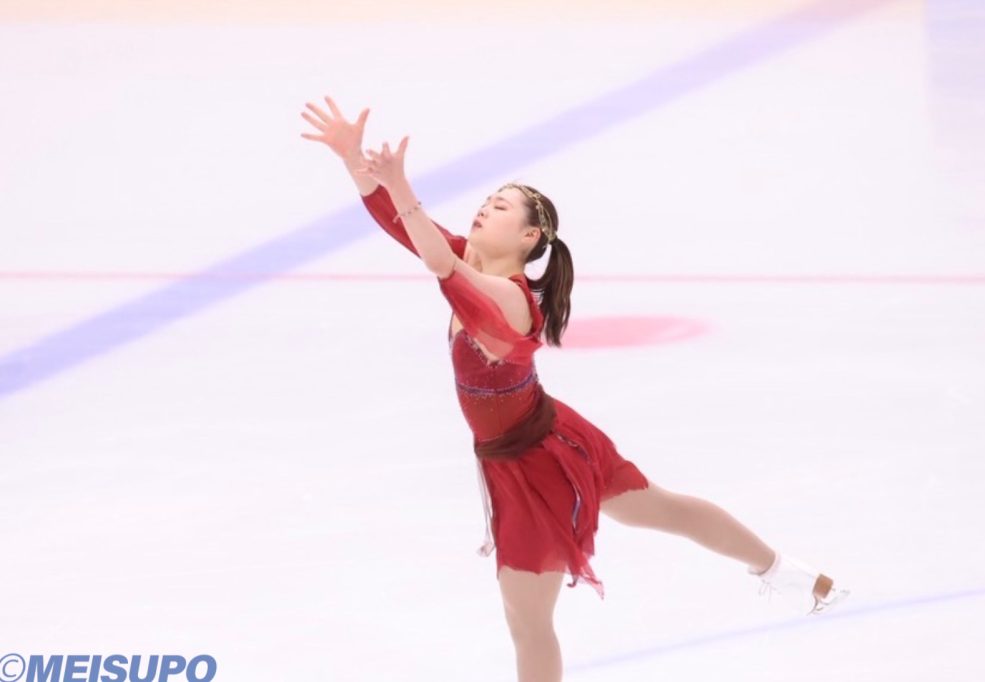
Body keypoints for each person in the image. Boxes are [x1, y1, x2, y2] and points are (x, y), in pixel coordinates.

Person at [300, 96, 850, 682]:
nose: (485, 208)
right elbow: (401, 224)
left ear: (529, 235)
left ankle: (783, 571)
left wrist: (401, 184)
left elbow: (436, 260)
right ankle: (792, 575)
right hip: (538, 437)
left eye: (500, 206)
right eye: (486, 201)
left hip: (539, 463)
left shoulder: (510, 298)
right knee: (656, 513)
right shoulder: (467, 260)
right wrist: (353, 158)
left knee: (530, 619)